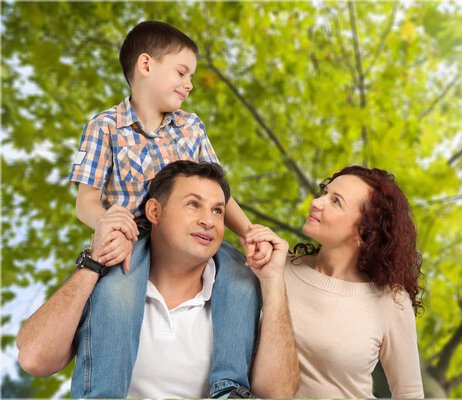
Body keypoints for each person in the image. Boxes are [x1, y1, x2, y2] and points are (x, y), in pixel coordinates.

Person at [68, 21, 272, 397]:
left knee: (243, 281)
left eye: (191, 75)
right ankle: (102, 391)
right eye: (182, 72)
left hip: (193, 234)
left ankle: (229, 386)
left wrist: (248, 232)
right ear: (145, 65)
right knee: (115, 295)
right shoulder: (105, 128)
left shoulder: (191, 127)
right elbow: (86, 202)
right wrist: (108, 222)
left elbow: (220, 197)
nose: (189, 83)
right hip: (136, 236)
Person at [16, 161, 299, 398]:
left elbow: (279, 393)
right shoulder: (108, 282)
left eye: (217, 210)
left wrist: (273, 281)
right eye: (193, 205)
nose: (209, 221)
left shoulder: (242, 291)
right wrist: (93, 262)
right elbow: (35, 359)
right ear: (154, 212)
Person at [285, 165, 424, 398]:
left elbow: (409, 393)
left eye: (336, 201)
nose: (317, 202)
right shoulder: (280, 268)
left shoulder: (391, 301)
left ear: (364, 232)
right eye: (324, 193)